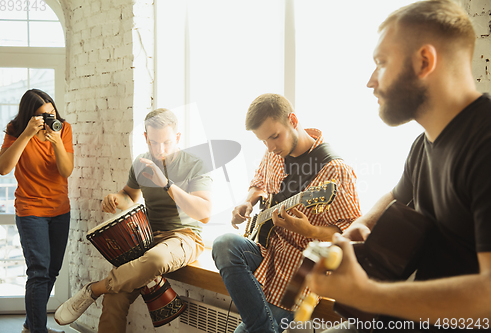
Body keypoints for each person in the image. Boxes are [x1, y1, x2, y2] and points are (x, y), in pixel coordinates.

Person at [307, 0, 491, 332]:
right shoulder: (424, 145)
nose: (370, 81)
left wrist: (368, 294)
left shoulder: (485, 145)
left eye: (381, 63)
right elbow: (397, 193)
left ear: (424, 61)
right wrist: (362, 224)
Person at [212, 93, 361, 333]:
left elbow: (349, 234)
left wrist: (309, 230)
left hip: (302, 269)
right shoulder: (274, 152)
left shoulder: (335, 169)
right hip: (266, 250)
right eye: (263, 141)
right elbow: (259, 181)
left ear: (292, 119)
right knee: (223, 244)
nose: (270, 147)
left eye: (274, 136)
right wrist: (248, 201)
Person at [54, 108, 213, 332]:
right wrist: (115, 199)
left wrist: (166, 183)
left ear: (177, 138)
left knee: (155, 260)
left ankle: (95, 289)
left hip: (185, 237)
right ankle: (104, 291)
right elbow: (129, 195)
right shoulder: (141, 162)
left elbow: (204, 213)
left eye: (167, 142)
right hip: (148, 237)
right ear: (146, 138)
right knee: (114, 298)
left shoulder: (195, 164)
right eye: (154, 143)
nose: (160, 149)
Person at [0, 89, 74, 333]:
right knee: (39, 272)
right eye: (42, 116)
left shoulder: (63, 129)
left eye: (51, 113)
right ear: (30, 116)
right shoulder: (16, 129)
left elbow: (66, 171)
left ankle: (31, 327)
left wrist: (57, 141)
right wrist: (27, 134)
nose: (49, 119)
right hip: (31, 211)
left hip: (60, 210)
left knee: (52, 271)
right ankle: (38, 330)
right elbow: (3, 168)